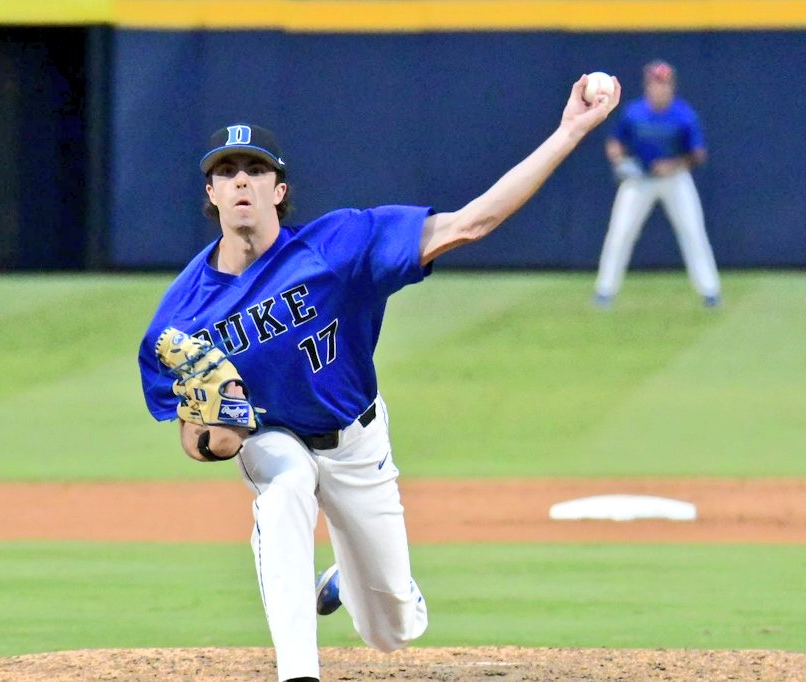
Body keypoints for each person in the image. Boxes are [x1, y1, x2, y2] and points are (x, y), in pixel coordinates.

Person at [138, 75, 620, 682]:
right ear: (210, 192)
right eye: (227, 170)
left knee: (390, 631)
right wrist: (219, 433)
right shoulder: (179, 317)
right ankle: (298, 673)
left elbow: (469, 224)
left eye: (255, 170)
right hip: (273, 440)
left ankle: (354, 576)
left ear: (278, 189)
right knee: (285, 490)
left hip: (356, 440)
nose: (241, 180)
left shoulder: (338, 246)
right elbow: (194, 437)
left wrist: (570, 130)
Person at [594, 59, 721, 308]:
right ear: (647, 85)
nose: (659, 88)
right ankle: (604, 292)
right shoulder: (634, 112)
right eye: (655, 83)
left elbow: (698, 154)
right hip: (639, 179)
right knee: (620, 233)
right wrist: (620, 161)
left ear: (671, 86)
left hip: (674, 179)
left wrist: (673, 164)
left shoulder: (684, 115)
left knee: (693, 231)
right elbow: (615, 143)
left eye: (664, 84)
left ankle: (710, 291)